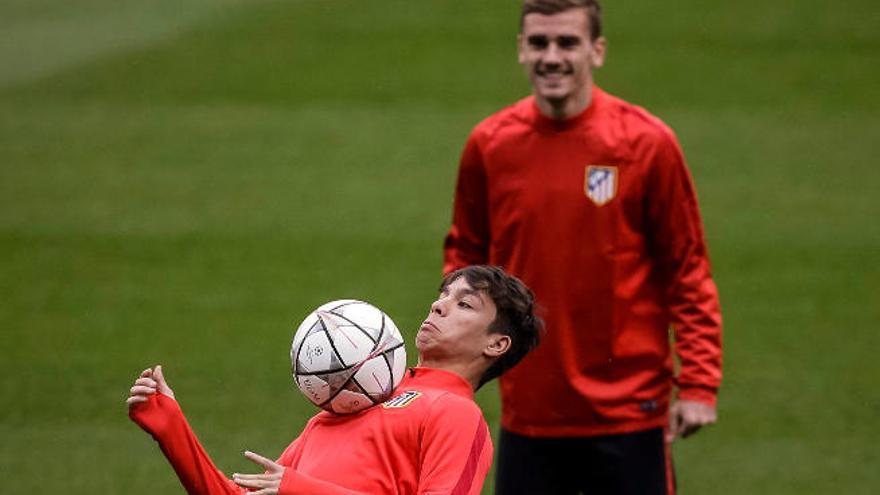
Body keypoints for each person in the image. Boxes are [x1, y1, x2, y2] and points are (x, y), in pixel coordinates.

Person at [443, 1, 723, 494]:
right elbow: (465, 259)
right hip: (529, 411)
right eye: (539, 43)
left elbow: (687, 268)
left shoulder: (646, 143)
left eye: (567, 42)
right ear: (521, 51)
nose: (552, 57)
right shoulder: (491, 144)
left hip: (630, 412)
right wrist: (458, 357)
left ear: (597, 51)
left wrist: (698, 382)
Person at [127, 265, 542, 495]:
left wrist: (299, 490)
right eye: (443, 295)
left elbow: (289, 488)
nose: (439, 305)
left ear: (497, 344)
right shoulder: (355, 398)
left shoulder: (455, 415)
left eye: (464, 303)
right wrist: (171, 428)